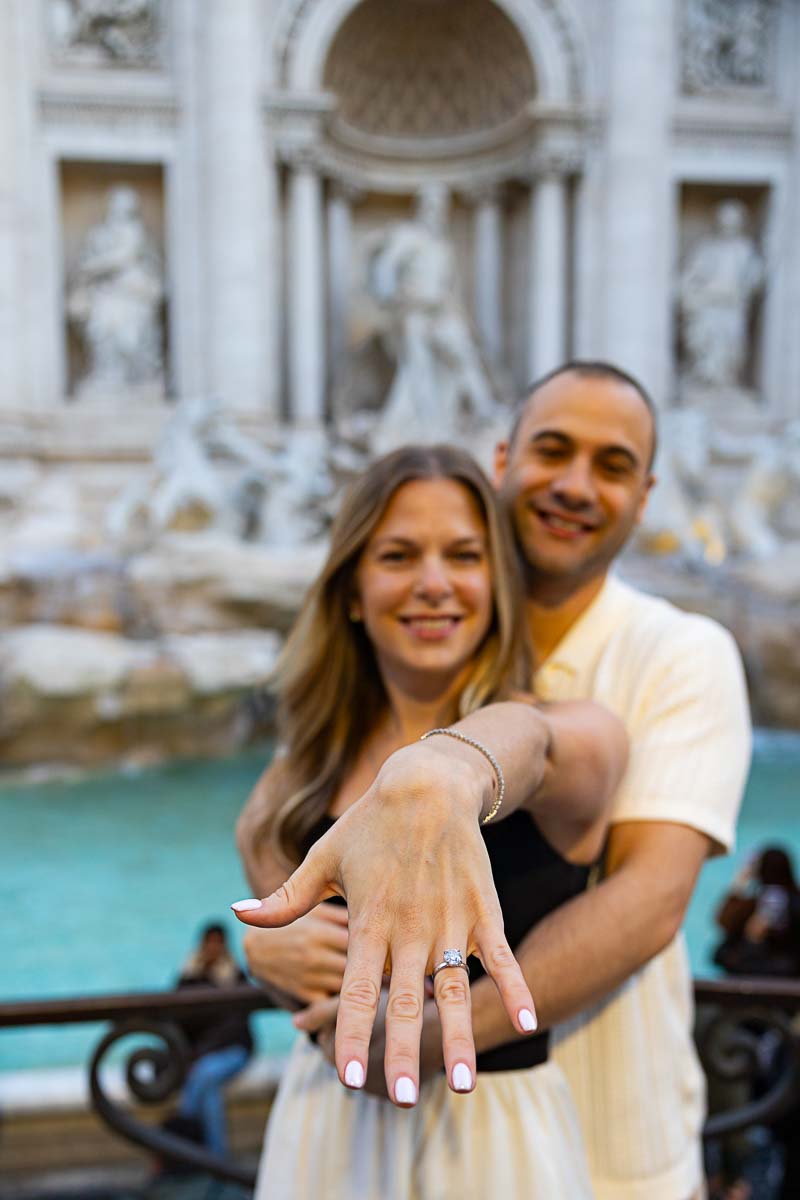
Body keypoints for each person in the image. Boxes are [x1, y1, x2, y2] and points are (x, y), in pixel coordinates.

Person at [234, 362, 752, 1200]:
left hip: (605, 1130)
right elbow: (273, 813)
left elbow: (649, 898)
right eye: (554, 451)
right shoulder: (393, 683)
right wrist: (271, 937)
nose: (577, 484)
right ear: (505, 459)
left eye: (612, 465)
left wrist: (445, 770)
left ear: (647, 493)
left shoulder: (676, 655)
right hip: (347, 1131)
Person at [236, 444, 627, 1197]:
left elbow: (534, 747)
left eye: (464, 555)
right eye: (398, 555)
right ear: (352, 587)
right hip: (326, 1133)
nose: (435, 583)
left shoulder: (567, 730)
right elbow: (299, 957)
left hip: (494, 1148)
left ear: (499, 585)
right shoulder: (296, 779)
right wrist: (270, 960)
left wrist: (444, 771)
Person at [173, 922, 254, 1157]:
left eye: (218, 943)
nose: (213, 948)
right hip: (202, 1055)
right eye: (210, 942)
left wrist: (200, 1054)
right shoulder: (189, 976)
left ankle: (185, 1148)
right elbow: (178, 1020)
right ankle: (215, 1158)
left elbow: (235, 1028)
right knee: (208, 1090)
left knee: (204, 1075)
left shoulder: (235, 977)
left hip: (232, 1051)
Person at [714, 847, 800, 978]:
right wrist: (753, 936)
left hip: (759, 981)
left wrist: (740, 882)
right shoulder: (752, 907)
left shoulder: (751, 906)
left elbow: (723, 923)